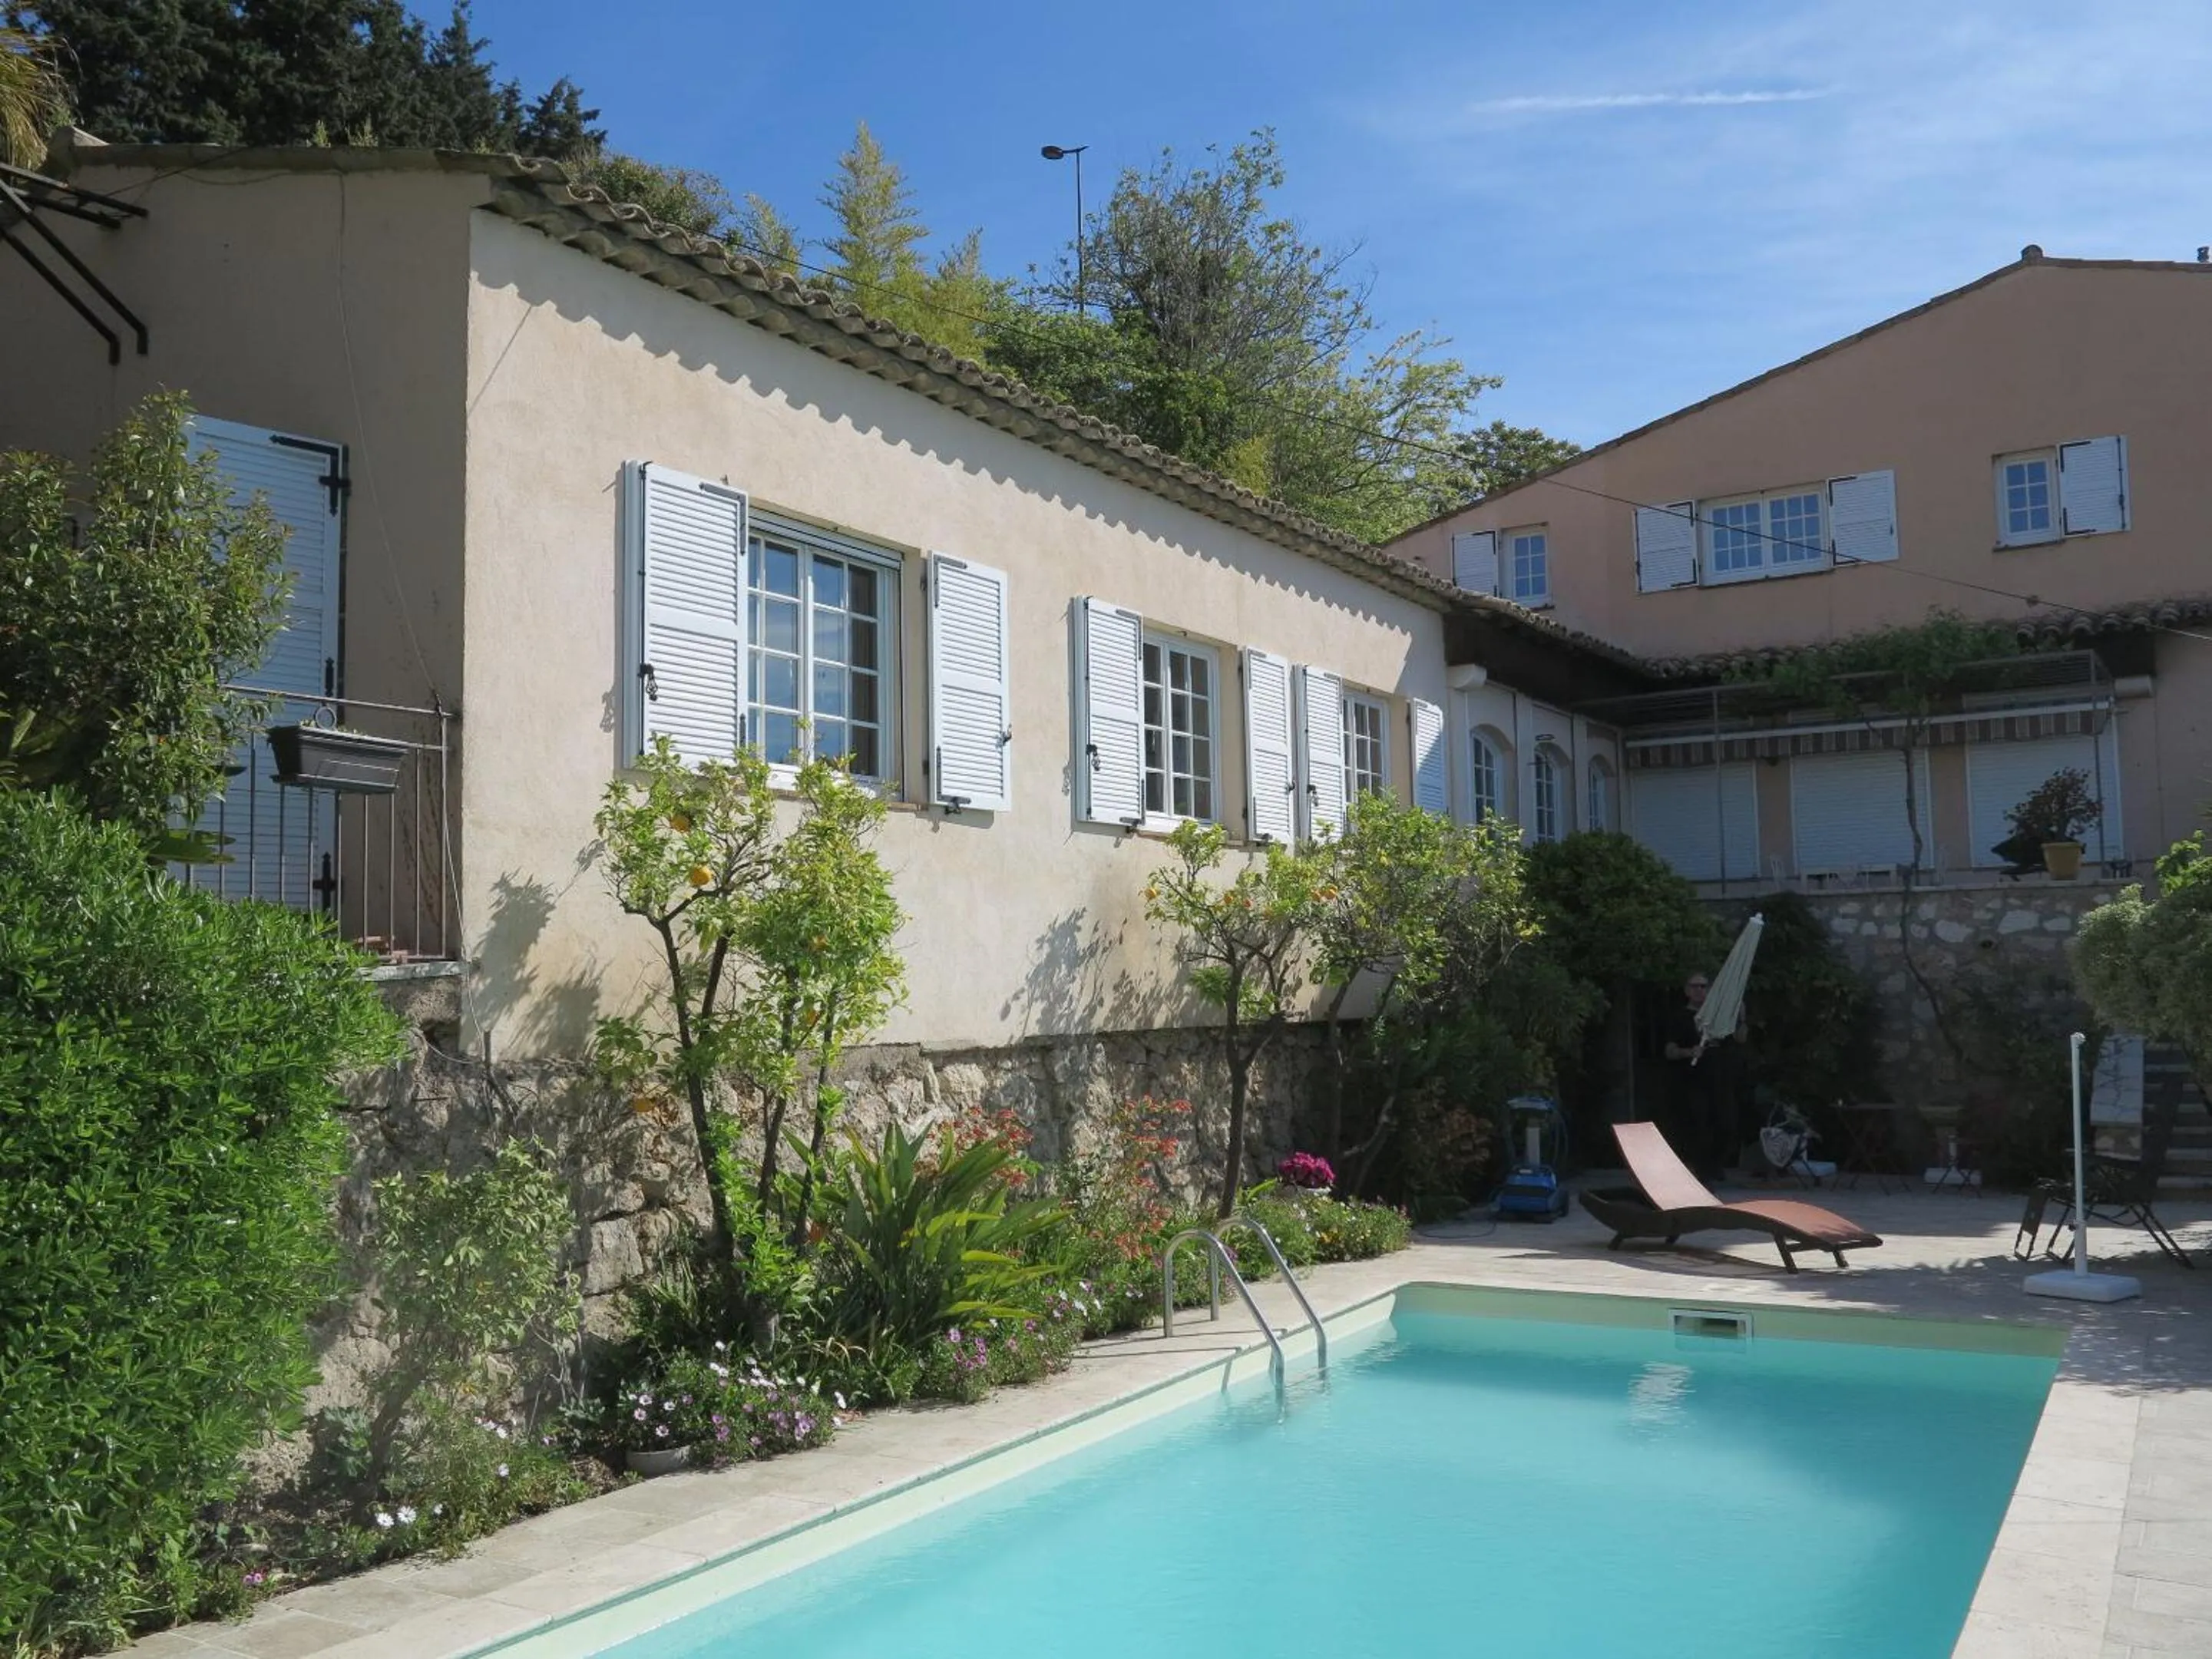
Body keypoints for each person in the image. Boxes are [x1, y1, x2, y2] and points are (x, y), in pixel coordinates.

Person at [1662, 970, 1744, 1182]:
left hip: (1720, 1079)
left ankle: (1714, 1163)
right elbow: (1669, 1051)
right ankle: (1703, 1171)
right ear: (1687, 990)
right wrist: (1689, 1052)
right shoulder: (1679, 1017)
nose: (1700, 990)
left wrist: (1741, 1017)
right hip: (1693, 1081)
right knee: (1699, 1126)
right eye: (1695, 986)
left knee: (1727, 1124)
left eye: (1704, 986)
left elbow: (1740, 1038)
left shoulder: (1718, 1018)